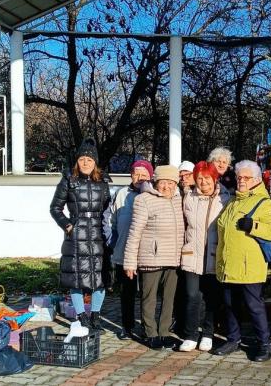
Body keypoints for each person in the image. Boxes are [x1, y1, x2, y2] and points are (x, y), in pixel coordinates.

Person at [212, 160, 271, 362]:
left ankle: (265, 344)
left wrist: (253, 226)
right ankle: (233, 339)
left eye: (246, 178)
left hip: (249, 265)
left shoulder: (263, 202)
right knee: (230, 304)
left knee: (254, 305)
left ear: (257, 180)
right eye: (239, 177)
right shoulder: (234, 200)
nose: (241, 180)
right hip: (228, 263)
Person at [49, 138, 111, 332]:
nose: (86, 163)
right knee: (76, 278)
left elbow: (109, 208)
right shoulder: (68, 179)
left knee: (100, 278)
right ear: (77, 161)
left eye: (90, 160)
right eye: (82, 159)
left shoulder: (103, 182)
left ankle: (95, 315)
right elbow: (55, 208)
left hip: (99, 234)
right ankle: (81, 316)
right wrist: (67, 225)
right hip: (76, 236)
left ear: (95, 163)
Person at [123, 165, 184, 350]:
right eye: (163, 182)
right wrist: (130, 262)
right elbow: (135, 232)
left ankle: (164, 332)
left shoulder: (178, 199)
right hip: (151, 257)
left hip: (174, 259)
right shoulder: (144, 200)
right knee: (148, 298)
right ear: (156, 182)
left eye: (171, 182)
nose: (167, 186)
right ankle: (150, 333)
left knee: (169, 298)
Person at [178, 161, 233, 352]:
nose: (203, 183)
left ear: (214, 178)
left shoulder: (225, 199)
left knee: (211, 297)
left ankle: (208, 334)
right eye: (200, 179)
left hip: (213, 254)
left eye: (207, 178)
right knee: (192, 295)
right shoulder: (188, 198)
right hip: (192, 254)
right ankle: (191, 334)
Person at [109, 159, 153, 340]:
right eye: (136, 174)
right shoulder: (121, 194)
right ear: (131, 175)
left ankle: (145, 326)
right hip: (124, 253)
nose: (140, 178)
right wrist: (113, 245)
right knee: (127, 292)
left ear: (150, 176)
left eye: (144, 174)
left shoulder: (154, 195)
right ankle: (127, 326)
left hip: (147, 254)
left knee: (146, 292)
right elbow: (112, 222)